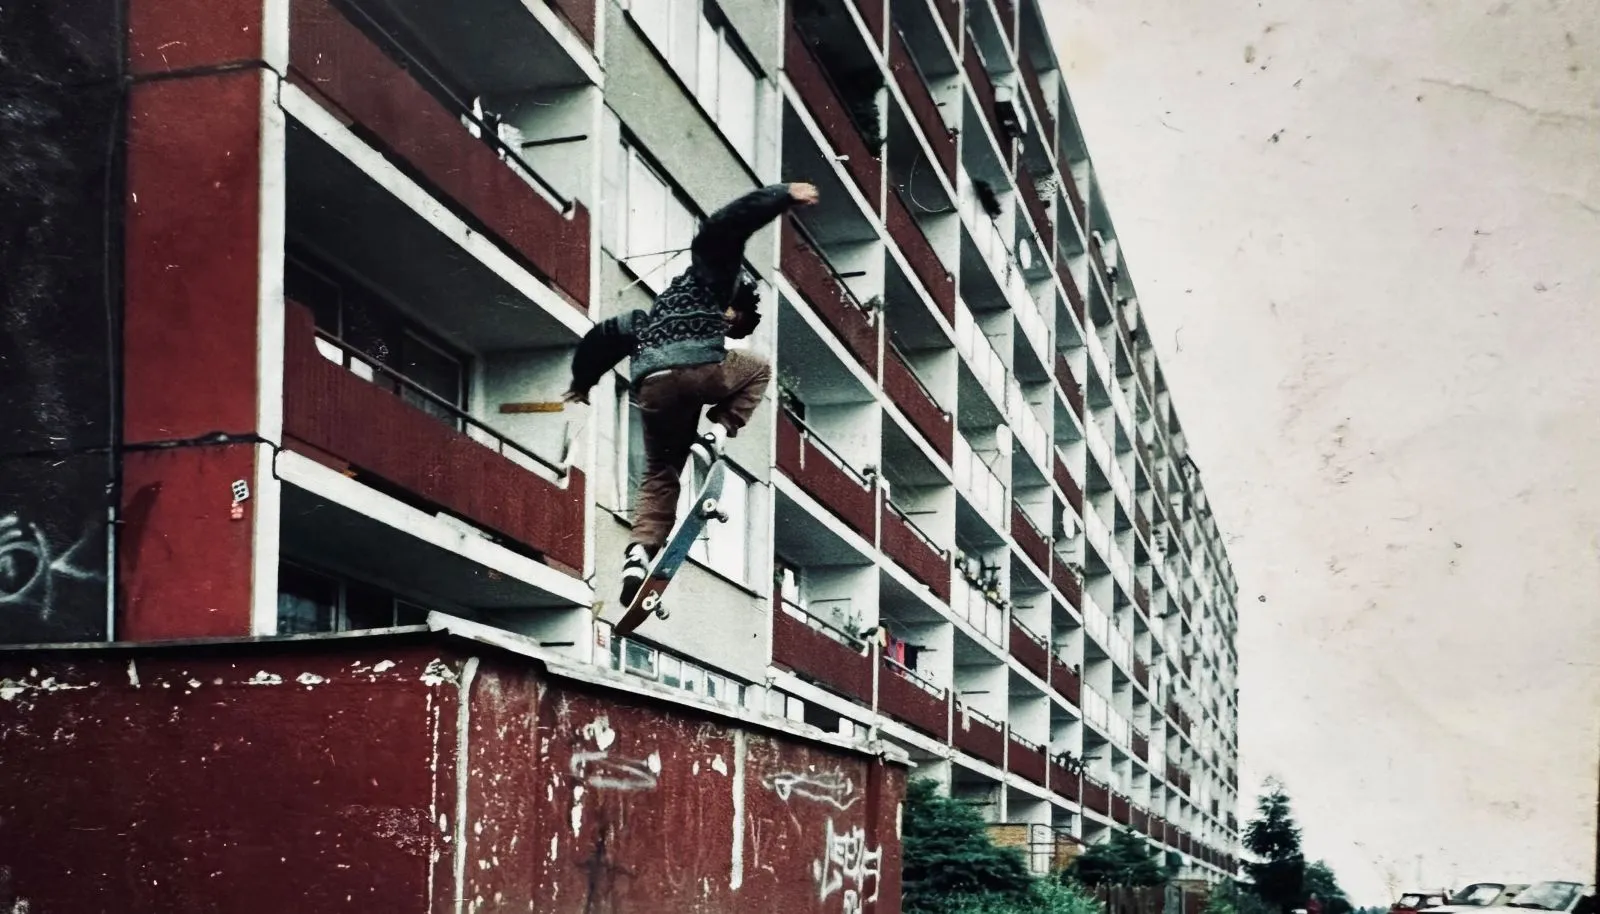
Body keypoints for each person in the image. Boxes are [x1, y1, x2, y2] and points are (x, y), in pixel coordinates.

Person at [565, 181, 820, 605]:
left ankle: (638, 554)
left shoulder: (649, 314)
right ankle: (716, 435)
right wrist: (782, 195)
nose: (729, 326)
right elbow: (721, 228)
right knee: (759, 367)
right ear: (733, 302)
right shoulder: (712, 276)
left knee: (661, 473)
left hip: (652, 387)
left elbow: (604, 335)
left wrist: (582, 382)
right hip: (698, 370)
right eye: (733, 321)